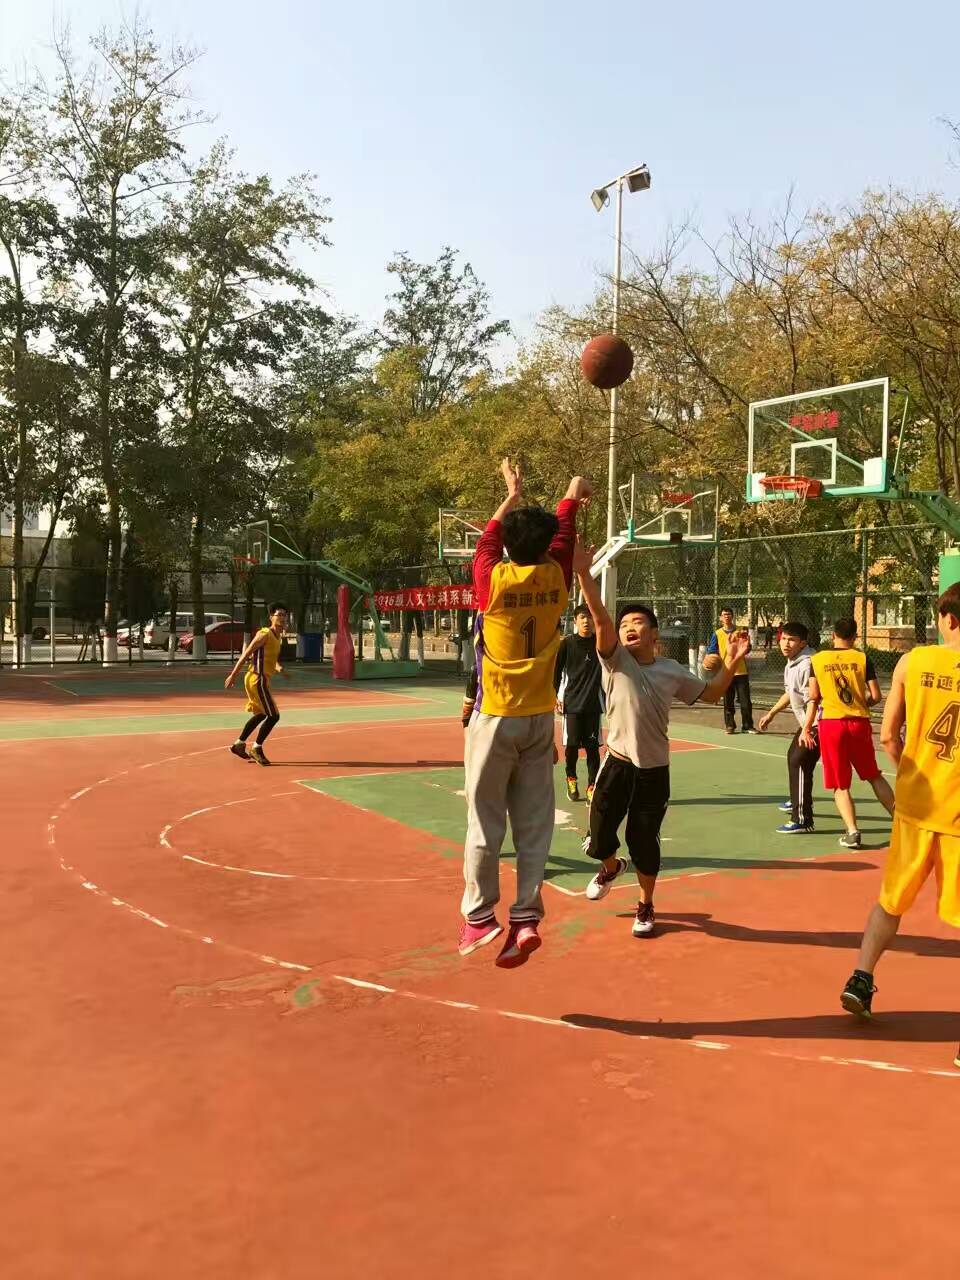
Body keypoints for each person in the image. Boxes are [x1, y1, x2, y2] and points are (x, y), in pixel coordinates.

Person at [574, 541, 750, 938]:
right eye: (624, 624)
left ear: (654, 634)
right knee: (599, 839)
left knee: (643, 841)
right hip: (617, 763)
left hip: (654, 770)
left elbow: (712, 694)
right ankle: (610, 868)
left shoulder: (671, 670)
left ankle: (646, 904)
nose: (628, 627)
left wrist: (734, 660)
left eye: (637, 622)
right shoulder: (614, 660)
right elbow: (600, 620)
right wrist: (584, 573)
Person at [458, 459, 591, 969]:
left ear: (509, 547)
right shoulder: (557, 575)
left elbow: (487, 539)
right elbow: (565, 529)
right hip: (540, 719)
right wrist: (572, 490)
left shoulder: (493, 580)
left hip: (495, 715)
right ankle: (526, 918)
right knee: (534, 825)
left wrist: (511, 493)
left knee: (485, 822)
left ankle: (478, 916)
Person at [840, 584, 960, 1062]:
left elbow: (888, 735)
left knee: (891, 901)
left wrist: (910, 775)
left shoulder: (913, 662)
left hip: (915, 807)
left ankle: (861, 977)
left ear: (948, 618)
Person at [800, 617, 894, 849]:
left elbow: (814, 696)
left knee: (840, 784)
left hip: (832, 725)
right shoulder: (862, 658)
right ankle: (903, 822)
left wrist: (806, 727)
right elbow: (876, 695)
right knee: (873, 775)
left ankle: (852, 832)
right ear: (855, 637)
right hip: (859, 723)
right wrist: (859, 704)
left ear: (833, 635)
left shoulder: (818, 659)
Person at [757, 622, 820, 833]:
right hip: (809, 724)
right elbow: (790, 693)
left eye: (791, 640)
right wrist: (771, 713)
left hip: (819, 723)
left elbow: (813, 700)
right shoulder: (792, 663)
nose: (785, 643)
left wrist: (808, 728)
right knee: (797, 759)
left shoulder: (807, 664)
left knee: (799, 761)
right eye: (783, 639)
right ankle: (798, 800)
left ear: (802, 643)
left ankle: (802, 819)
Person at [225, 602, 291, 765]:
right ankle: (256, 748)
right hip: (257, 679)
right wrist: (233, 675)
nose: (282, 618)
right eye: (279, 614)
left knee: (261, 714)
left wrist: (279, 668)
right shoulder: (264, 634)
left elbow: (269, 658)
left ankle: (239, 744)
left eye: (284, 615)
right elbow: (247, 653)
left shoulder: (277, 637)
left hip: (261, 679)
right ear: (271, 617)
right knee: (274, 716)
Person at [554, 604, 603, 803]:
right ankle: (571, 779)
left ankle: (592, 786)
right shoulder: (567, 644)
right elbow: (556, 671)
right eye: (582, 617)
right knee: (572, 747)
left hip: (593, 705)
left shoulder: (600, 642)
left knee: (592, 749)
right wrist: (554, 696)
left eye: (589, 617)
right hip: (572, 704)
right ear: (575, 621)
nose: (586, 621)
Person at [705, 607, 755, 734]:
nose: (726, 616)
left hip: (741, 671)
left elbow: (747, 648)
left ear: (732, 616)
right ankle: (730, 725)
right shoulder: (717, 634)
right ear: (720, 618)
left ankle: (747, 725)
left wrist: (746, 646)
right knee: (728, 700)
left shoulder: (740, 631)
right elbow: (712, 651)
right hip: (726, 671)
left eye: (728, 614)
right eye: (724, 614)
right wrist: (710, 660)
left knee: (745, 701)